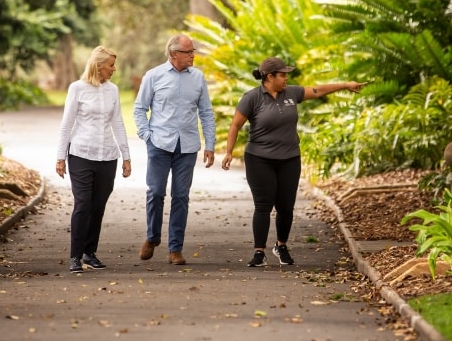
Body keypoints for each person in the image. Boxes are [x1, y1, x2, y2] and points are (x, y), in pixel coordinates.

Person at [221, 57, 364, 267]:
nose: (286, 78)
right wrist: (228, 152)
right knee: (263, 205)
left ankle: (281, 246)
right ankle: (259, 252)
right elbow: (235, 125)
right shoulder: (252, 98)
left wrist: (345, 85)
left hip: (289, 158)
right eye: (282, 74)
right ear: (270, 77)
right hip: (259, 158)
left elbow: (317, 90)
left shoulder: (292, 93)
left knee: (286, 206)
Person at [133, 33, 216, 265]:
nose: (192, 56)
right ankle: (152, 237)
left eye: (193, 52)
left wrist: (210, 144)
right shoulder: (154, 76)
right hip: (159, 144)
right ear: (173, 54)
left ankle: (175, 249)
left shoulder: (198, 78)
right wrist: (146, 135)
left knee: (181, 196)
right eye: (188, 52)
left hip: (187, 146)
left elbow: (206, 113)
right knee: (156, 192)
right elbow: (139, 108)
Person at [55, 45, 132, 273]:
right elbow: (67, 124)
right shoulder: (77, 89)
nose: (114, 69)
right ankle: (75, 256)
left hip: (107, 156)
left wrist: (126, 156)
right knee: (83, 204)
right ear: (98, 66)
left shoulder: (113, 90)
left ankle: (90, 252)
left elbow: (118, 122)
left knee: (98, 205)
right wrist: (60, 157)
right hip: (81, 153)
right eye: (110, 65)